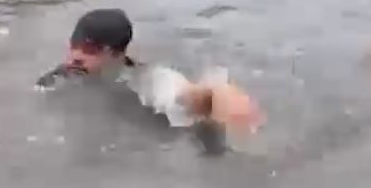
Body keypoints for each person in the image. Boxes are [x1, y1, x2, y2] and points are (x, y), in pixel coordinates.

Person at [36, 9, 262, 134]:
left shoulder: (149, 81)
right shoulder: (62, 75)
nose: (74, 57)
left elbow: (192, 95)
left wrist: (215, 97)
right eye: (73, 45)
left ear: (114, 52)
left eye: (89, 50)